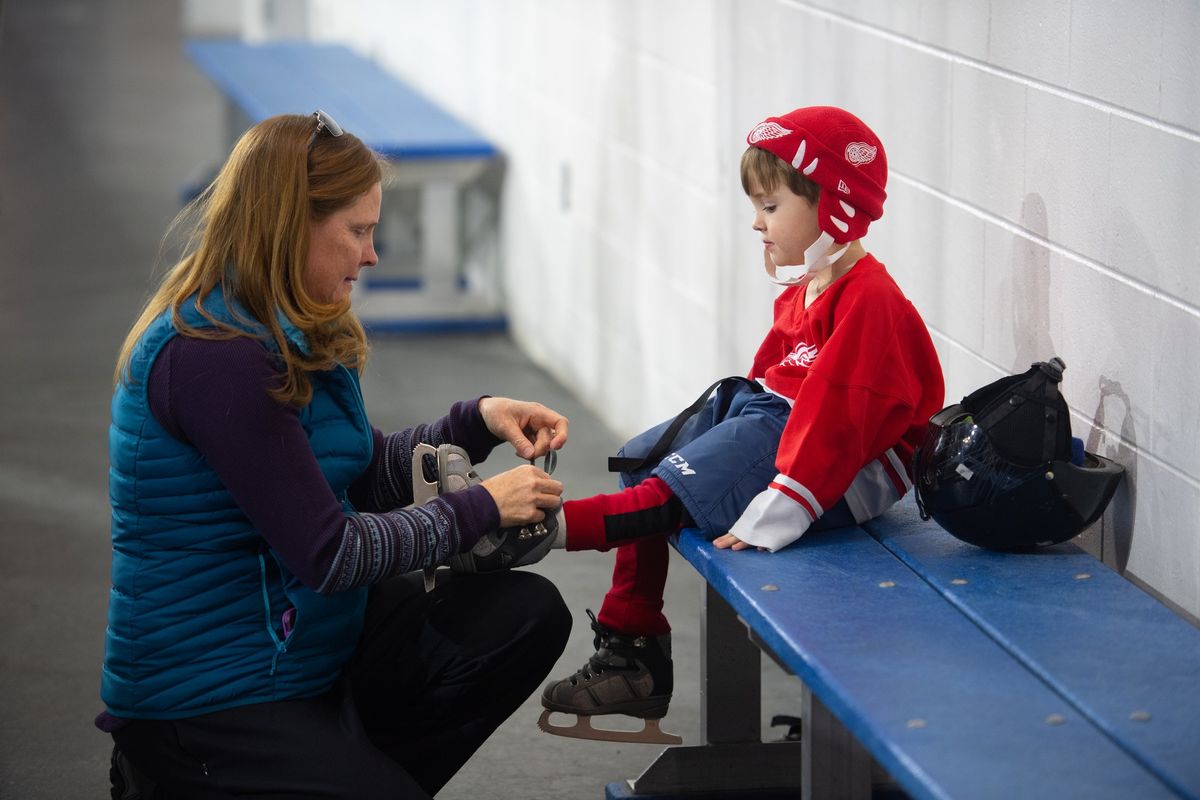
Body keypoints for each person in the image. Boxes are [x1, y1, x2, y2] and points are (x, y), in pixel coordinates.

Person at [99, 110, 572, 799]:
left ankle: (336, 768)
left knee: (523, 617)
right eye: (358, 232)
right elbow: (330, 554)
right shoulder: (214, 358)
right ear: (293, 224)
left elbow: (357, 470)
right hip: (205, 705)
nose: (372, 254)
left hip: (291, 658)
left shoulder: (284, 321)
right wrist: (481, 506)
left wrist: (477, 422)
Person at [535, 106, 945, 744]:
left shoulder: (871, 300)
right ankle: (633, 645)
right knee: (642, 459)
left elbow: (839, 418)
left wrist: (781, 506)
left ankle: (530, 534)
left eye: (771, 205)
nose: (757, 221)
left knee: (665, 493)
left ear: (833, 206)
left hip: (839, 469)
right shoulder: (808, 286)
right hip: (785, 428)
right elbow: (768, 381)